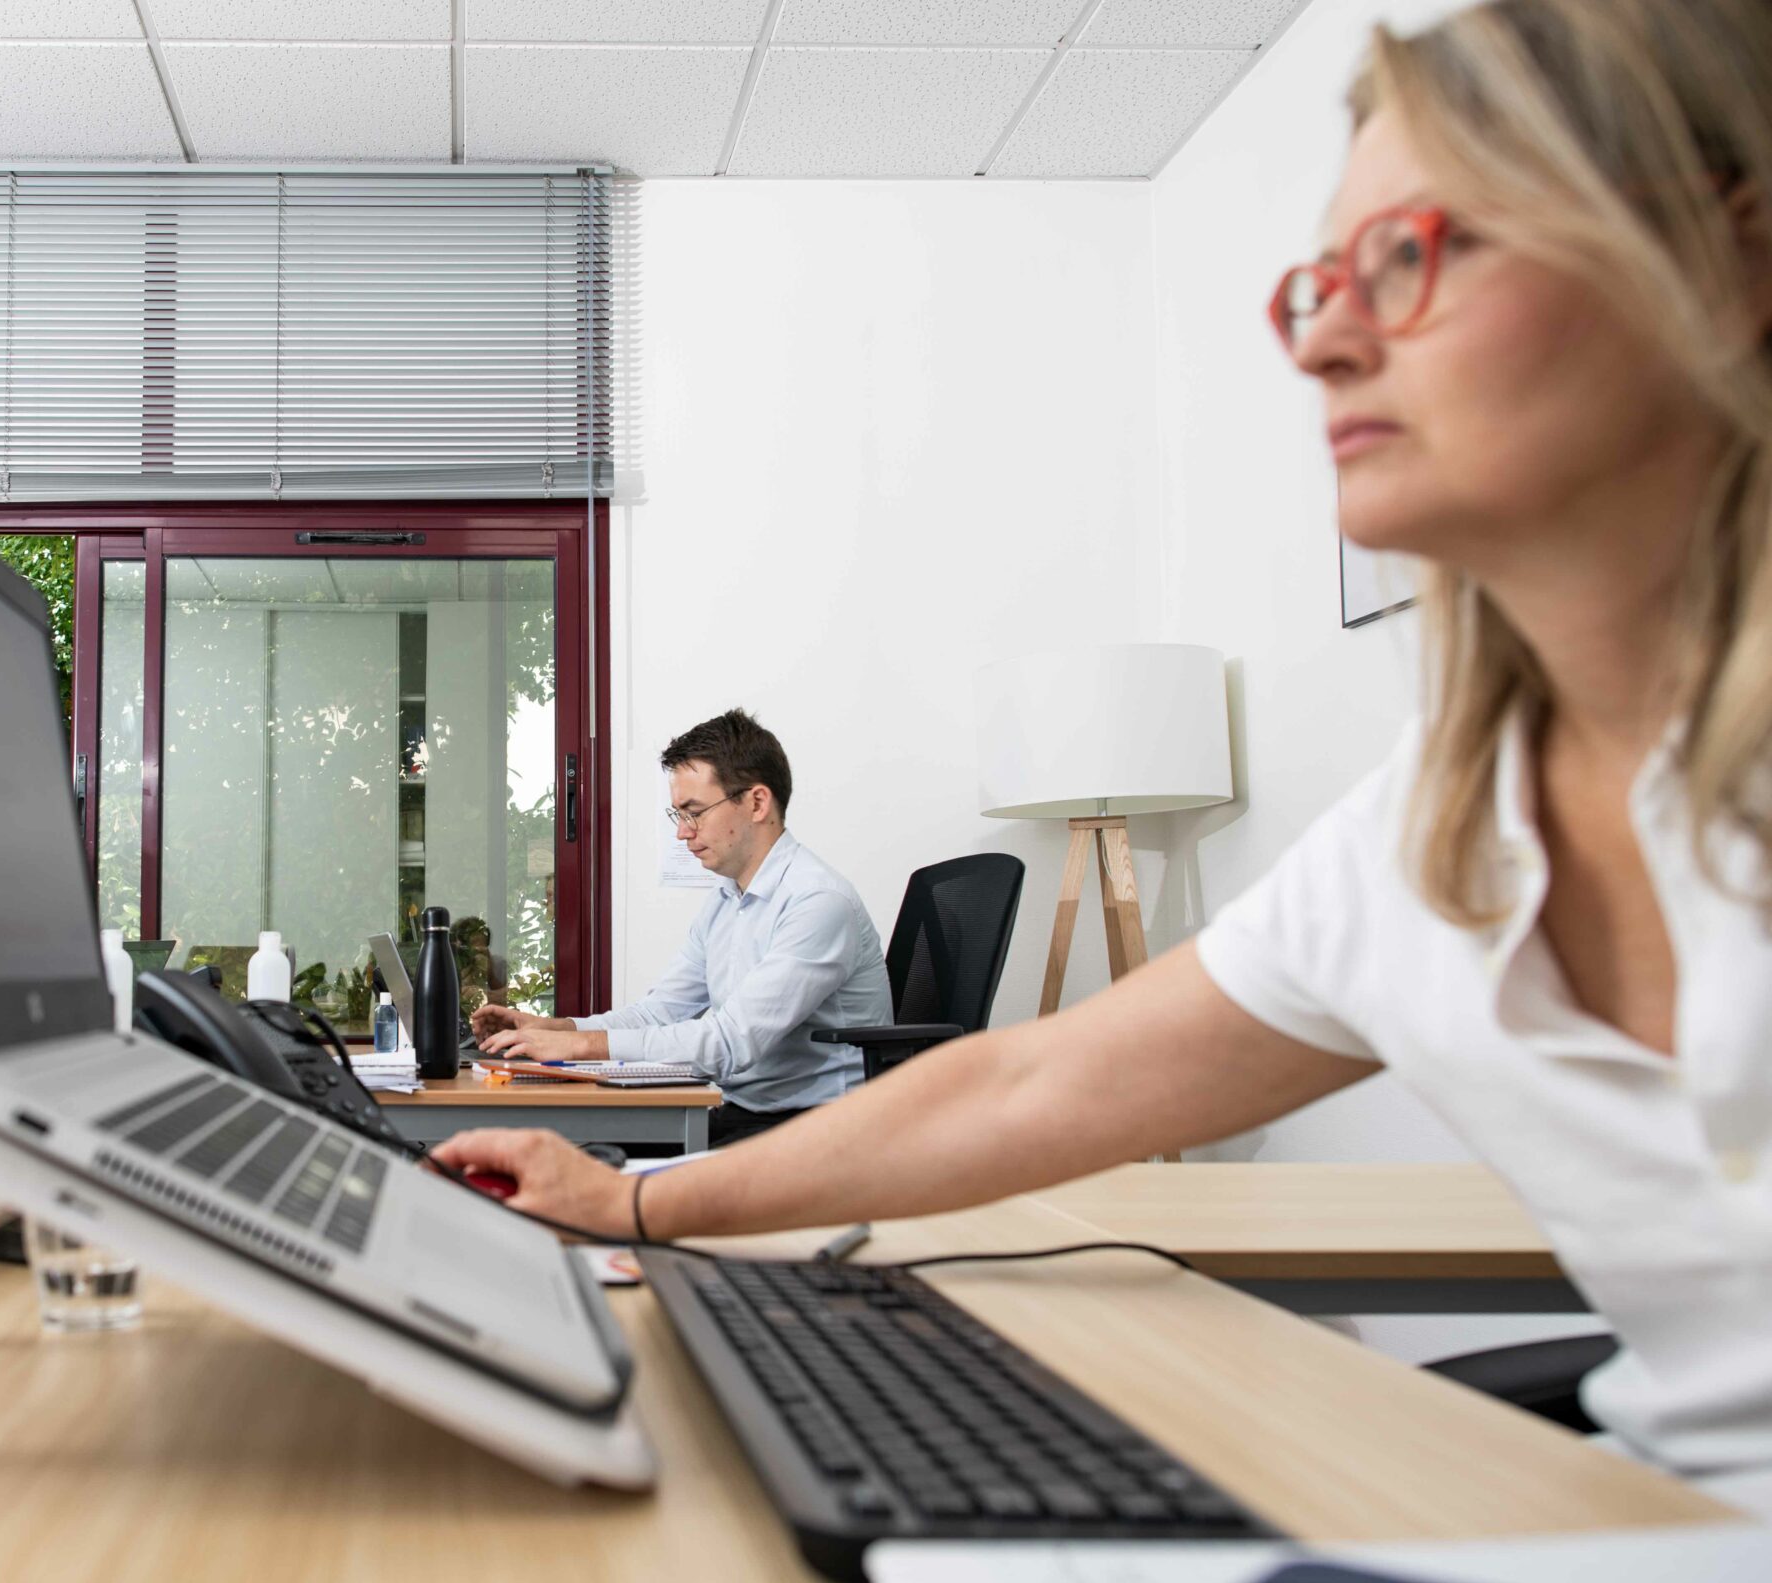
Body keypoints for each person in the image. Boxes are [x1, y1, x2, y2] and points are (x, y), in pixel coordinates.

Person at [437, 0, 1772, 1495]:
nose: (1327, 340)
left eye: (1411, 255)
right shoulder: (1448, 832)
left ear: (1725, 267)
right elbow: (1023, 1090)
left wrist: (638, 1181)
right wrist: (629, 1204)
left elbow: (775, 1057)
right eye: (1315, 285)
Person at [472, 709, 892, 1146]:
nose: (683, 834)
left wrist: (581, 1050)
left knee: (593, 1168)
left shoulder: (817, 902)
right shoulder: (727, 901)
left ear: (756, 803)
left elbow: (729, 1043)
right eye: (679, 816)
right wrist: (559, 1030)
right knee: (570, 1146)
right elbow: (659, 1013)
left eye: (694, 812)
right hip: (738, 1110)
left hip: (815, 1127)